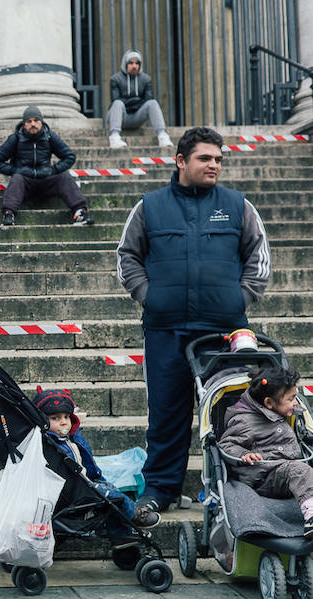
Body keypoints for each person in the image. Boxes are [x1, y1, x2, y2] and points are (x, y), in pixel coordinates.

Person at [116, 126, 272, 520]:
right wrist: (148, 295)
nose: (214, 165)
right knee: (166, 412)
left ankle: (238, 489)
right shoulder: (150, 206)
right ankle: (159, 489)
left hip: (224, 333)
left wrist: (240, 297)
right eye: (206, 158)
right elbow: (127, 256)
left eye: (219, 159)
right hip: (165, 329)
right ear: (181, 161)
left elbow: (259, 255)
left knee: (234, 413)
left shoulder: (238, 205)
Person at [32, 387, 160, 532]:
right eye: (55, 418)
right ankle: (135, 515)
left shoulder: (71, 438)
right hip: (70, 492)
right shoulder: (47, 444)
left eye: (66, 417)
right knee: (113, 497)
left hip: (86, 482)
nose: (63, 422)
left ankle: (122, 540)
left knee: (111, 495)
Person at [218, 365, 313, 538]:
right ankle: (311, 516)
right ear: (269, 403)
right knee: (299, 471)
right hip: (264, 477)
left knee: (299, 470)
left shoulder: (284, 411)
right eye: (291, 399)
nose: (296, 403)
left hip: (285, 471)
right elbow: (227, 444)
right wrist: (243, 454)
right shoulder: (245, 421)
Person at [0, 105, 94, 227]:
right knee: (17, 178)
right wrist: (16, 170)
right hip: (25, 183)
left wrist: (53, 170)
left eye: (36, 120)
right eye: (29, 121)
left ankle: (80, 212)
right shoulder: (15, 138)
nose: (33, 124)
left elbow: (70, 156)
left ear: (41, 122)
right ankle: (8, 214)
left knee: (64, 177)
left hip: (46, 180)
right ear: (24, 124)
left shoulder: (49, 136)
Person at [107, 50, 173, 149]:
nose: (134, 66)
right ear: (125, 64)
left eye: (137, 63)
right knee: (117, 103)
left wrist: (130, 101)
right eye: (131, 63)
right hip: (121, 116)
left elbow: (148, 99)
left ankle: (162, 135)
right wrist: (137, 101)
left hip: (137, 116)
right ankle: (114, 137)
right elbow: (115, 99)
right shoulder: (116, 79)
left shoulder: (146, 79)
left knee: (153, 103)